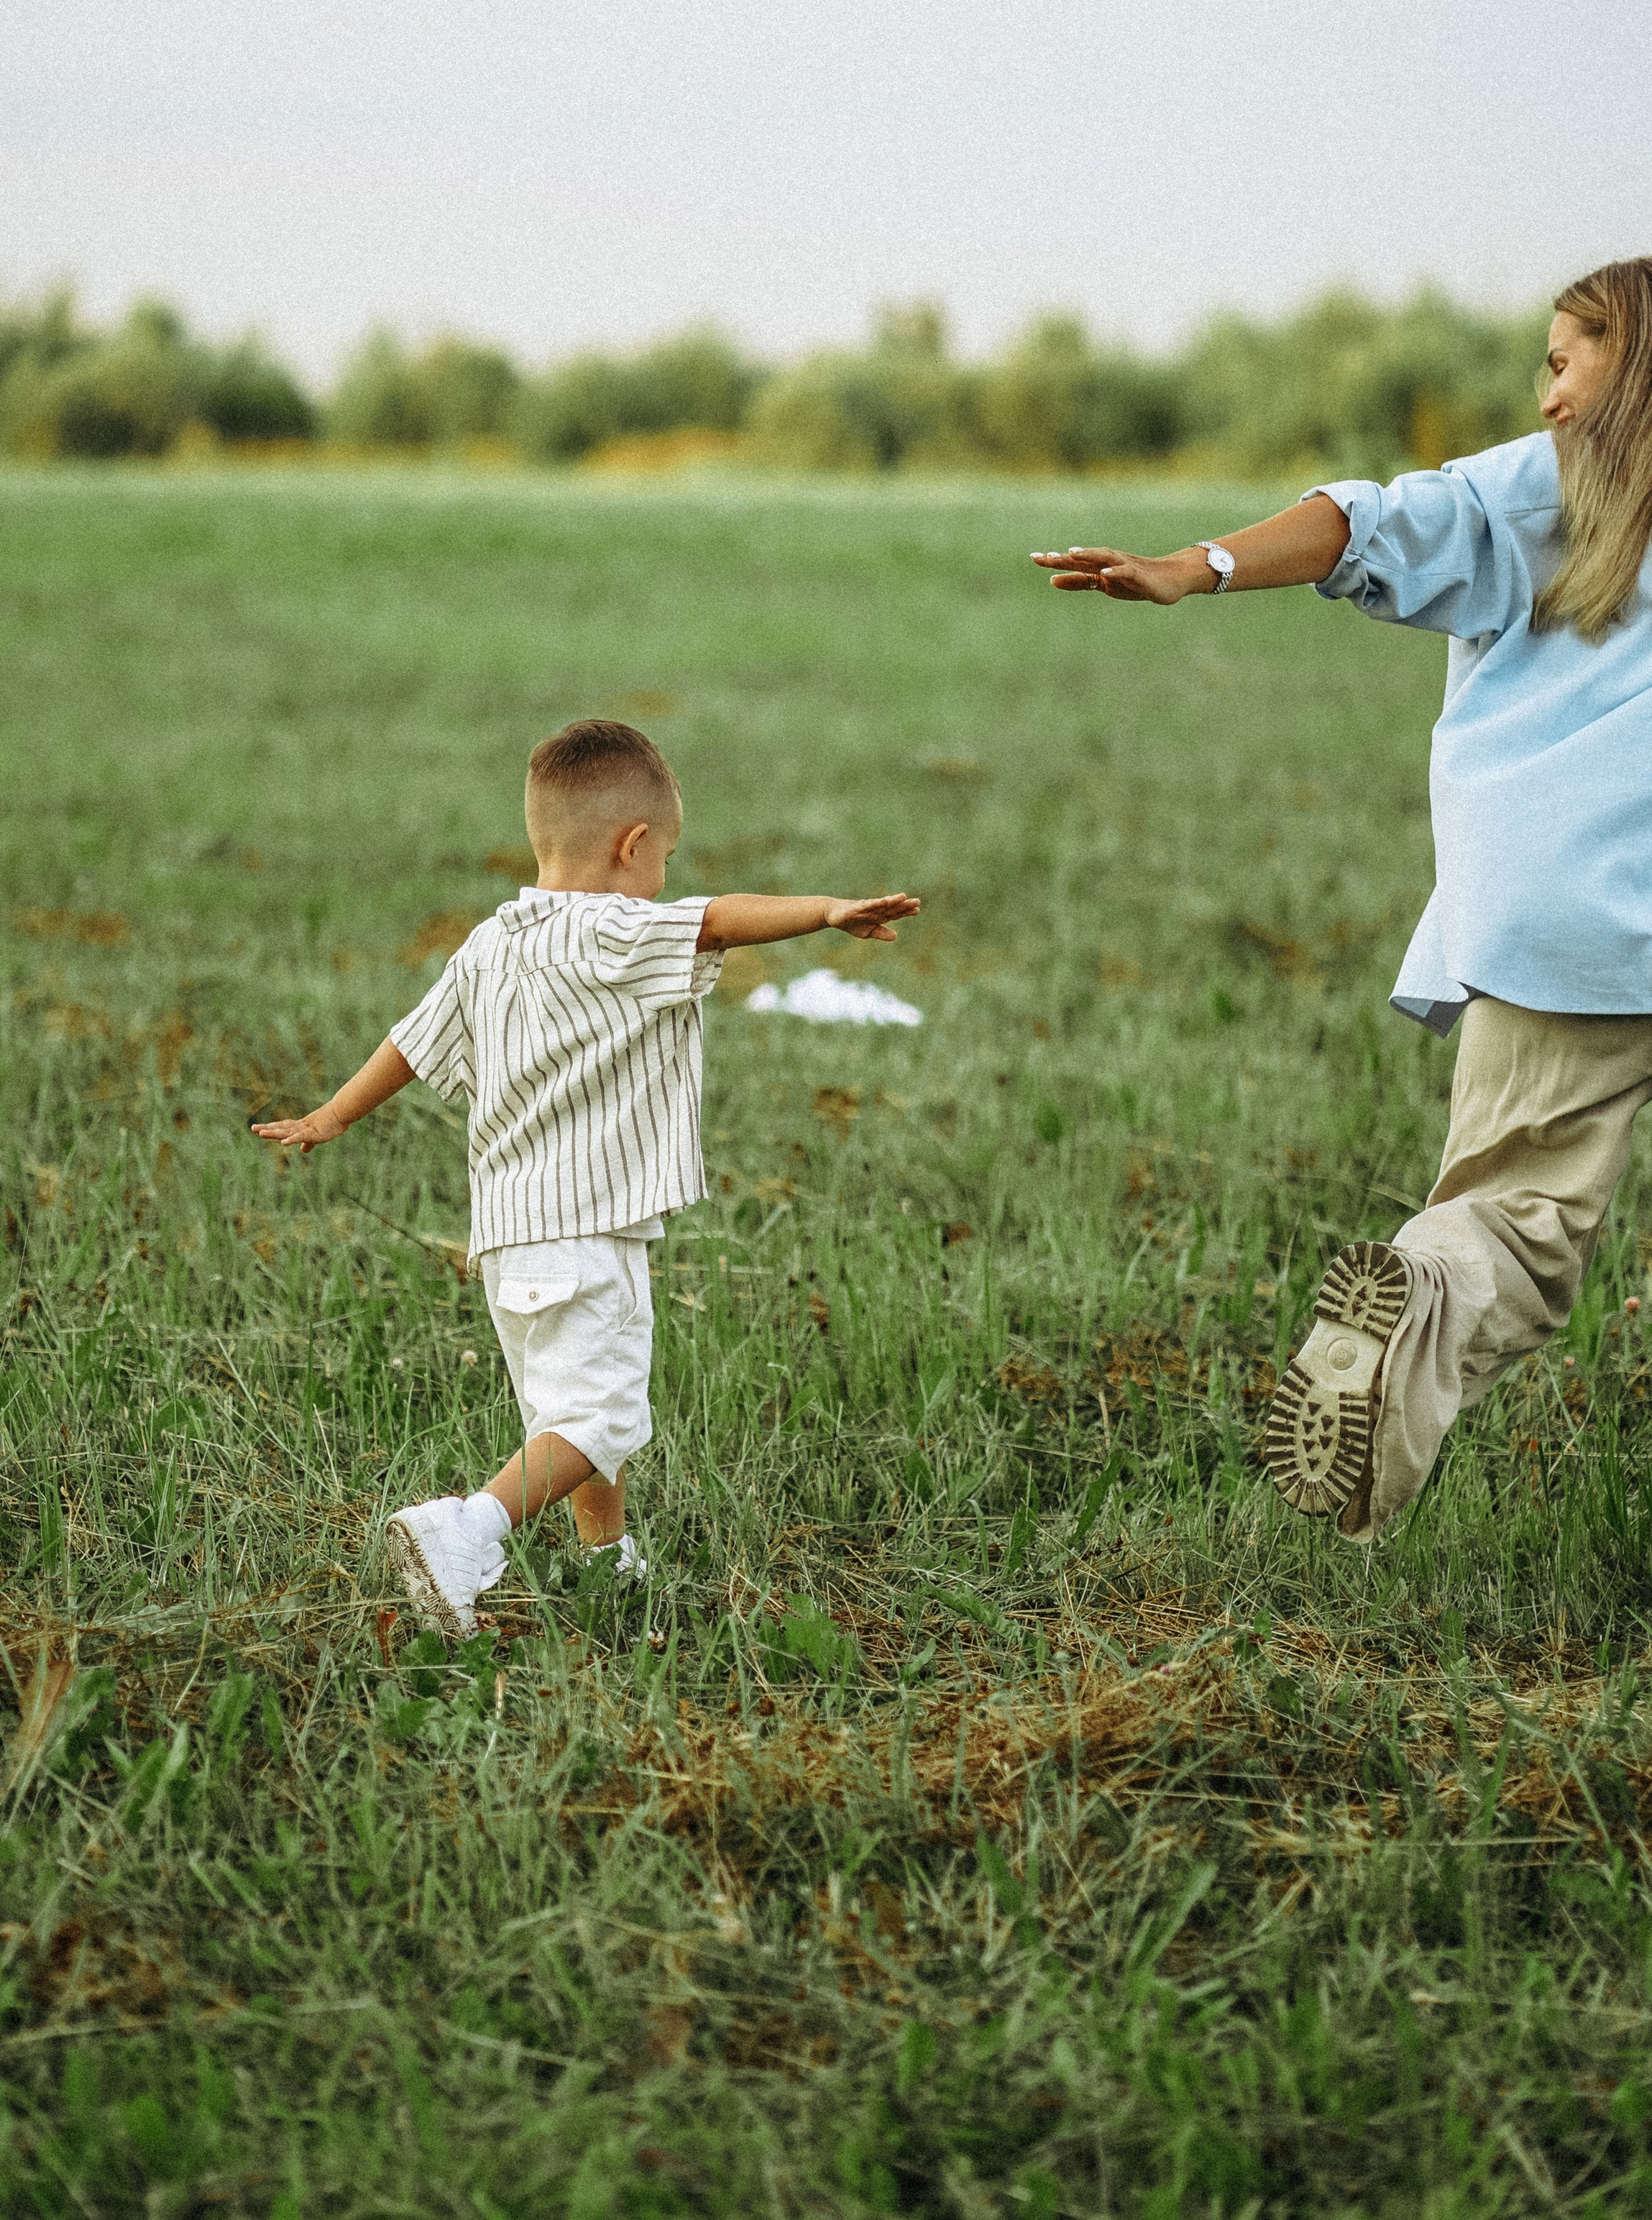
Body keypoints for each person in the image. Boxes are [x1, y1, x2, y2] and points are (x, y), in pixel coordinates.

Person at [1034, 256, 1652, 1541]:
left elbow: (1369, 520)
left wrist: (1198, 563)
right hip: (1584, 915)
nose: (1545, 397)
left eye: (1561, 360)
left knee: (1517, 1226)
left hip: (1563, 916)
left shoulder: (1554, 488)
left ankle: (1415, 1302)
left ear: (1628, 360)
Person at [252, 717, 918, 1634]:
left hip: (509, 1234)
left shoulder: (494, 941)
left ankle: (607, 1561)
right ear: (632, 846)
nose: (664, 883)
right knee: (601, 1411)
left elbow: (412, 1042)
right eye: (664, 861)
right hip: (585, 1232)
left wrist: (331, 1114)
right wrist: (828, 910)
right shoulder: (617, 928)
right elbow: (717, 918)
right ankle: (464, 1529)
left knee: (566, 1417)